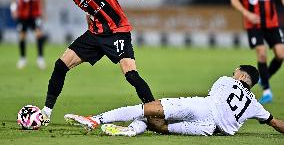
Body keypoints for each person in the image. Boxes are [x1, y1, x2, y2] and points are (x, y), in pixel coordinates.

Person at [41, 0, 154, 125]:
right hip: (95, 34)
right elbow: (90, 10)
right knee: (60, 65)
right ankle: (46, 113)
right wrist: (89, 31)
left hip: (117, 31)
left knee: (131, 75)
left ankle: (155, 114)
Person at [64, 65, 284, 136]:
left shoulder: (226, 81)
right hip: (210, 129)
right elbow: (276, 123)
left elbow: (214, 97)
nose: (234, 73)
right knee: (160, 126)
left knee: (149, 108)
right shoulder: (256, 105)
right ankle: (129, 131)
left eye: (237, 72)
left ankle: (95, 119)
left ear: (243, 76)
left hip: (204, 108)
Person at [230, 0, 284, 104]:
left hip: (271, 21)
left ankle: (263, 77)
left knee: (281, 55)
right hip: (253, 23)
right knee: (262, 53)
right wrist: (247, 14)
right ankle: (267, 90)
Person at [11, 0, 46, 69]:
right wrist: (13, 9)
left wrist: (43, 11)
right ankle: (22, 58)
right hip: (22, 14)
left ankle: (40, 59)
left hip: (35, 13)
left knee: (39, 34)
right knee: (22, 36)